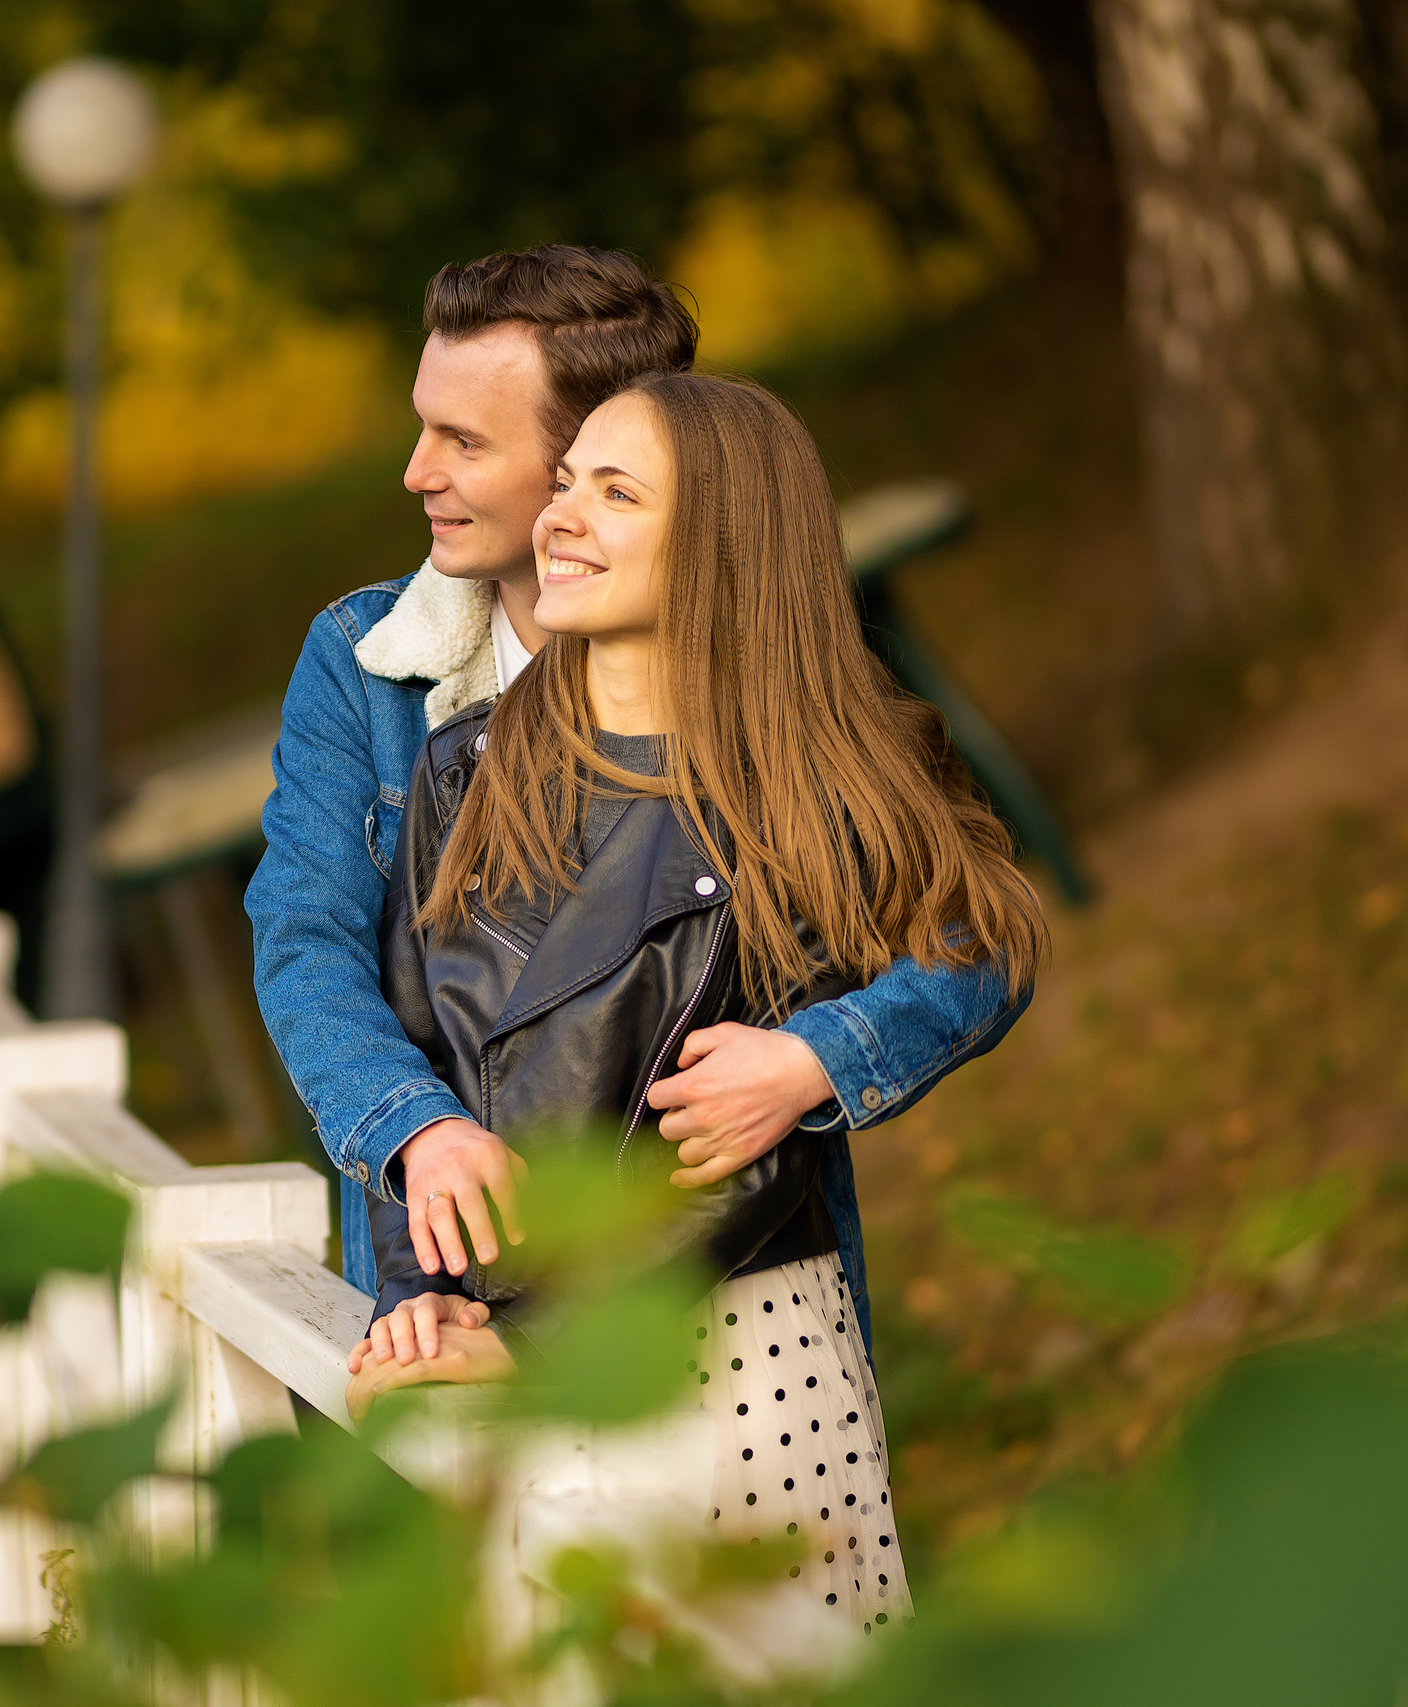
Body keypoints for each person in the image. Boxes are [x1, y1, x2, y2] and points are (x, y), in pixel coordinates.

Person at [341, 372, 1049, 1636]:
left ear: (723, 542)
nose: (561, 516)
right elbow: (422, 1049)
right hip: (499, 1347)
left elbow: (751, 1144)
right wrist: (425, 1291)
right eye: (567, 481)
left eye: (616, 494)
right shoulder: (465, 766)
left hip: (730, 1355)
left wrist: (821, 1057)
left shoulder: (801, 786)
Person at [246, 246, 1030, 1359]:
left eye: (465, 442)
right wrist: (412, 1130)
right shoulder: (367, 667)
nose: (417, 472)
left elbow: (972, 934)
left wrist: (820, 1058)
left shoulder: (771, 684)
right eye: (424, 429)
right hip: (452, 1304)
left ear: (612, 450)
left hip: (739, 1317)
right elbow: (308, 942)